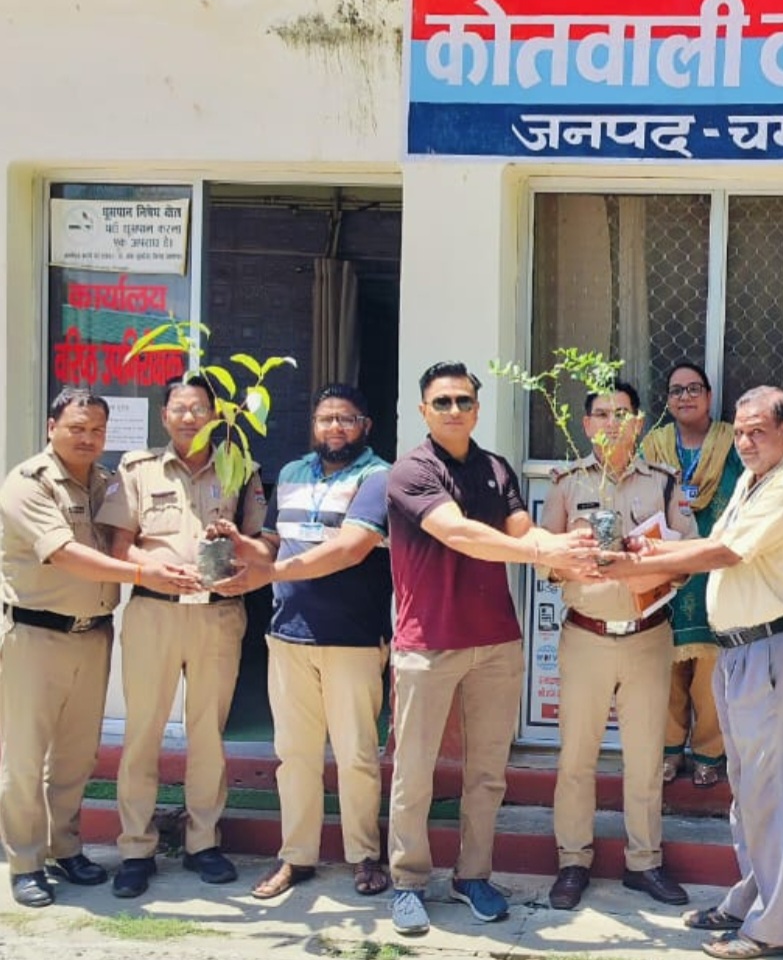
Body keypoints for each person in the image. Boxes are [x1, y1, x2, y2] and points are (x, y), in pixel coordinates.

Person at [604, 386, 783, 960]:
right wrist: (649, 554)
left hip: (772, 648)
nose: (745, 442)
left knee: (770, 793)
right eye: (741, 431)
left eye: (758, 432)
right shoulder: (755, 478)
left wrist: (635, 563)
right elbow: (715, 540)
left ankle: (776, 926)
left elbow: (724, 554)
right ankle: (750, 900)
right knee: (747, 791)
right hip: (740, 651)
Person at [385, 361, 597, 936]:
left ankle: (473, 874)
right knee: (415, 771)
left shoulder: (496, 468)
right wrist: (543, 553)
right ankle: (408, 881)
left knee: (487, 774)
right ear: (424, 410)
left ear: (478, 410)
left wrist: (574, 546)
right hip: (428, 642)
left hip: (497, 641)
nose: (454, 410)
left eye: (464, 401)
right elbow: (458, 533)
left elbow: (521, 532)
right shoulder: (411, 471)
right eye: (442, 401)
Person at [0, 388, 197, 908]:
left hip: (93, 633)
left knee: (76, 755)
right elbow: (65, 554)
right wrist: (144, 574)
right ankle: (25, 862)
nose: (87, 438)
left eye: (96, 430)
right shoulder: (27, 483)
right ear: (51, 427)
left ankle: (65, 848)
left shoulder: (106, 482)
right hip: (34, 636)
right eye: (76, 428)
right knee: (25, 757)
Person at [211, 383, 393, 899]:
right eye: (325, 419)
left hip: (353, 637)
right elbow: (274, 543)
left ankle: (364, 855)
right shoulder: (291, 473)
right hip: (288, 633)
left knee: (356, 755)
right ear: (313, 426)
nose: (335, 427)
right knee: (294, 755)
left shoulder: (379, 476)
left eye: (346, 419)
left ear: (365, 426)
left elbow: (350, 549)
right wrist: (241, 544)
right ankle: (296, 857)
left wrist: (268, 574)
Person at [96, 375, 267, 898]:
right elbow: (120, 547)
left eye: (199, 408)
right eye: (179, 408)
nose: (189, 417)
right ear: (164, 416)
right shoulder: (137, 469)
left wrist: (243, 563)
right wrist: (152, 570)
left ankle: (203, 843)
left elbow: (258, 543)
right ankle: (135, 848)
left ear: (216, 415)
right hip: (154, 612)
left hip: (218, 615)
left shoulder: (240, 468)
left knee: (208, 732)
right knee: (142, 732)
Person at [542, 380, 696, 912]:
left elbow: (688, 552)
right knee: (576, 757)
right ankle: (572, 861)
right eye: (602, 414)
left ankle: (644, 861)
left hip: (647, 637)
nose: (612, 423)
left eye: (623, 413)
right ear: (586, 425)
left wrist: (652, 565)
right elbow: (544, 556)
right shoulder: (567, 483)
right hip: (586, 634)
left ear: (639, 423)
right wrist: (575, 558)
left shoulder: (664, 483)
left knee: (646, 758)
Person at [643, 361, 741, 789]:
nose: (685, 397)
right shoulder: (654, 446)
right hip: (666, 568)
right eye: (676, 390)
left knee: (709, 672)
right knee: (664, 668)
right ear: (667, 400)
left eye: (693, 388)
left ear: (709, 396)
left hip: (714, 569)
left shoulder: (731, 442)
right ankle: (668, 751)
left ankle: (708, 752)